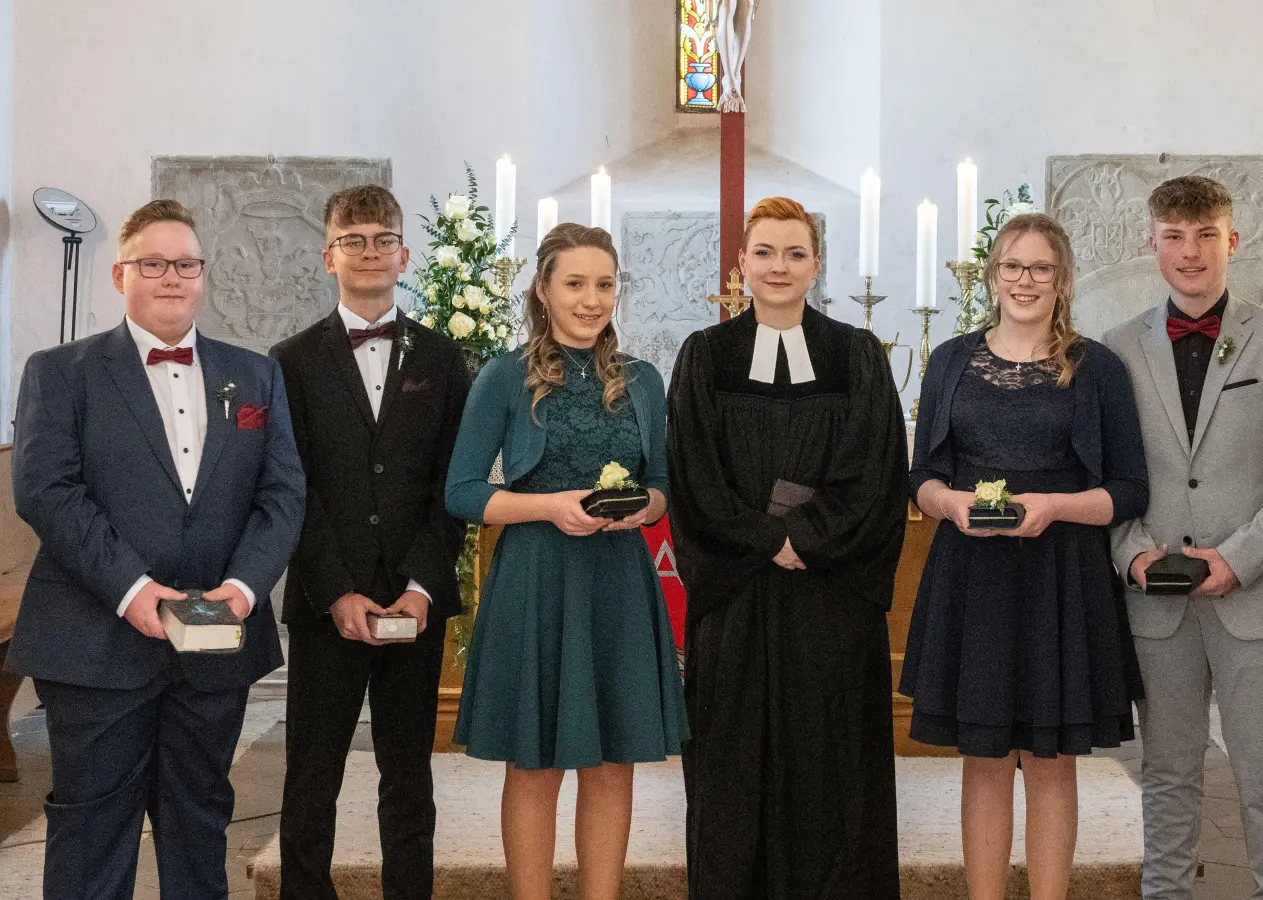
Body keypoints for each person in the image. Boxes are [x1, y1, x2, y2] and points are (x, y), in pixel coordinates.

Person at [7, 199, 304, 900]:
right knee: (91, 831)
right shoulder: (61, 371)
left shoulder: (254, 376)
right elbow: (47, 492)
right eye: (153, 263)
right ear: (120, 274)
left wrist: (244, 589)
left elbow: (283, 495)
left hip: (215, 643)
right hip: (95, 642)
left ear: (203, 275)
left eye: (185, 264)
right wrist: (134, 590)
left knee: (200, 821)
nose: (171, 276)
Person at [667, 196, 909, 900]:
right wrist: (768, 540)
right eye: (766, 252)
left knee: (832, 767)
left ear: (816, 264)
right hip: (736, 597)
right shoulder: (706, 356)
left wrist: (806, 538)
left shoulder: (855, 354)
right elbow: (693, 474)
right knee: (732, 766)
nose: (780, 267)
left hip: (831, 599)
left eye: (795, 253)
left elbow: (877, 471)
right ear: (742, 262)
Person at [901, 212, 1148, 900]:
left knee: (1050, 759)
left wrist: (1057, 507)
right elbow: (921, 476)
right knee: (983, 757)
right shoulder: (952, 360)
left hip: (1061, 575)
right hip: (973, 573)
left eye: (1041, 267)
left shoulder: (1097, 367)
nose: (1025, 280)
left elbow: (1130, 490)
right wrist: (950, 504)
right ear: (992, 276)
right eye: (1012, 265)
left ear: (1062, 278)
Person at [445, 222, 687, 900]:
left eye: (604, 284)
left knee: (613, 763)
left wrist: (646, 507)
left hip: (618, 581)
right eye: (575, 283)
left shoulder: (642, 380)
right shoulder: (504, 376)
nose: (591, 299)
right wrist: (550, 506)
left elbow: (663, 484)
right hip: (538, 578)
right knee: (535, 764)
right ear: (543, 291)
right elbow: (462, 491)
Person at [1103, 175, 1263, 900]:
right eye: (1174, 236)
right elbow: (1106, 473)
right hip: (1157, 603)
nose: (1190, 251)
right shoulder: (1118, 347)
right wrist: (1133, 554)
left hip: (1255, 599)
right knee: (1167, 775)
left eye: (1206, 235)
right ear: (1153, 243)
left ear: (1233, 240)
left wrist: (1237, 558)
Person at [270, 185, 470, 900]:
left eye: (383, 239)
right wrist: (336, 590)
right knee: (311, 775)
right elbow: (291, 486)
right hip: (328, 601)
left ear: (404, 255)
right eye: (352, 240)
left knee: (409, 776)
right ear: (328, 256)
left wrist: (420, 586)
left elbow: (452, 482)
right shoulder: (290, 360)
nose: (369, 252)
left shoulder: (443, 359)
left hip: (414, 603)